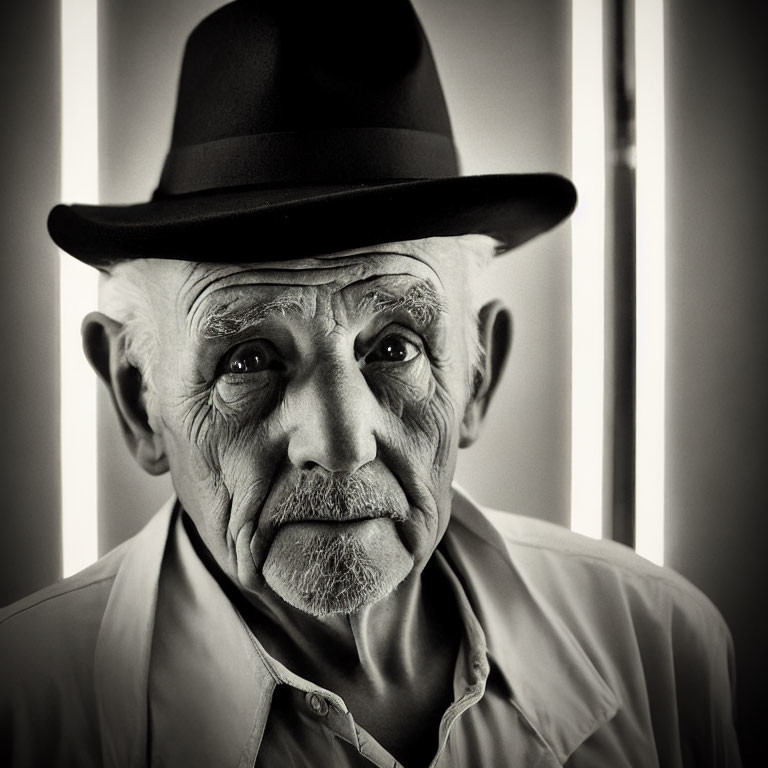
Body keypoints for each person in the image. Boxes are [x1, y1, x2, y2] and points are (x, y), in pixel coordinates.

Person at [0, 1, 741, 766]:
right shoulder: (23, 710)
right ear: (136, 396)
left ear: (478, 376)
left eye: (393, 346)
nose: (342, 444)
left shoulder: (660, 647)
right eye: (249, 359)